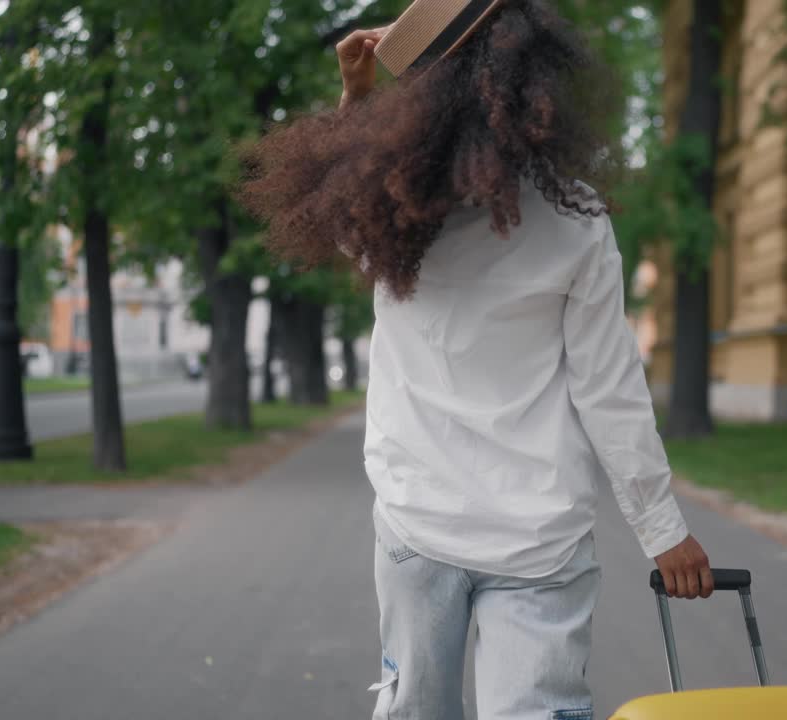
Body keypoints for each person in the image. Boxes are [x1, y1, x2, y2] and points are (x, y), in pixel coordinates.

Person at [238, 2, 713, 718]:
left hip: (418, 518)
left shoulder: (390, 215)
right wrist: (661, 529)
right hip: (542, 539)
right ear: (539, 87)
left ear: (424, 97)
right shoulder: (576, 222)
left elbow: (335, 207)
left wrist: (358, 100)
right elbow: (608, 390)